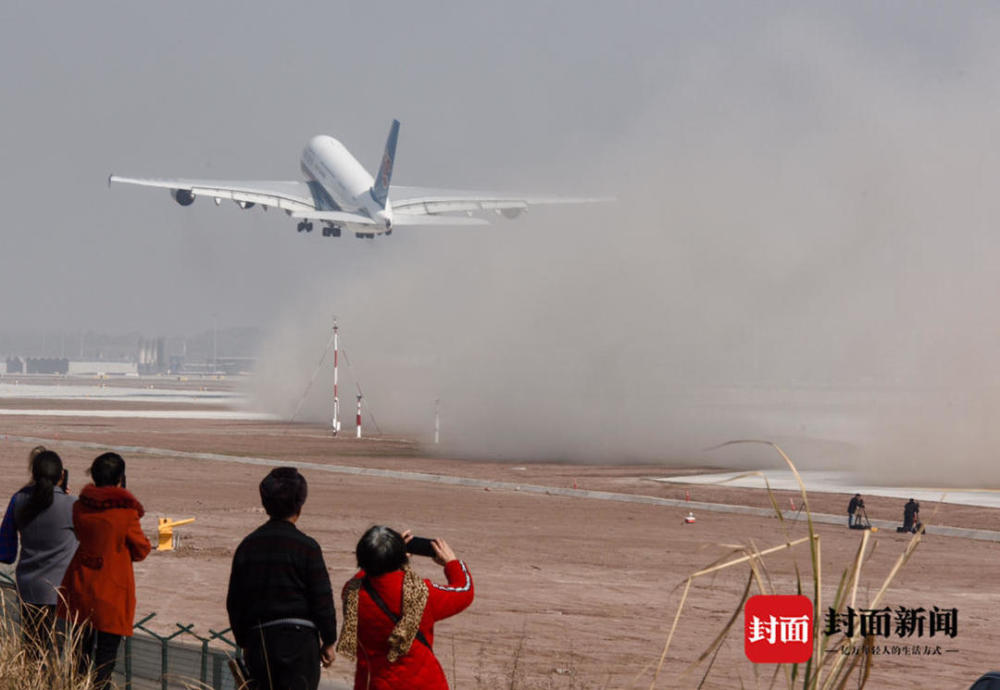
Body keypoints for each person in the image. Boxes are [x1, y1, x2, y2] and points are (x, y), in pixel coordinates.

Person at [226, 467, 337, 690]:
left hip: (261, 645)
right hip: (301, 647)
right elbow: (322, 599)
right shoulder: (307, 547)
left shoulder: (247, 547)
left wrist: (245, 642)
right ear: (299, 506)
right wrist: (329, 641)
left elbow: (235, 602)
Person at [337, 526, 474, 690]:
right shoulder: (419, 594)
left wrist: (388, 554)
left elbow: (365, 576)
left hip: (375, 682)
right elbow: (465, 591)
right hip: (422, 683)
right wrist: (452, 563)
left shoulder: (351, 593)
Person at [59, 452, 151, 690]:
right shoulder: (126, 514)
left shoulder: (80, 507)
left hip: (81, 585)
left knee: (80, 654)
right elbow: (141, 550)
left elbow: (81, 535)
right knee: (106, 659)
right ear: (121, 479)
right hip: (112, 590)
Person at [0, 447, 78, 654]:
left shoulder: (18, 500)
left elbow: (5, 553)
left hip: (28, 589)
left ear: (33, 474)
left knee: (33, 649)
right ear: (62, 475)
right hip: (60, 592)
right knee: (56, 651)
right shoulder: (73, 505)